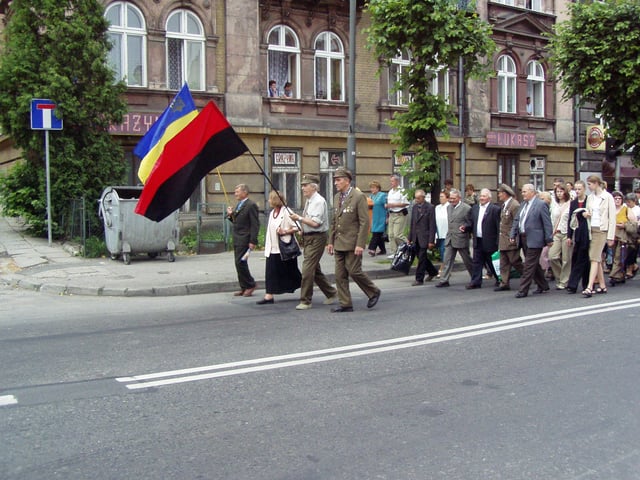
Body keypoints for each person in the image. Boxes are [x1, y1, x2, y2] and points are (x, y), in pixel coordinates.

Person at [327, 167, 381, 312]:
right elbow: (334, 220)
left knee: (354, 271)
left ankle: (373, 291)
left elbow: (364, 222)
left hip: (352, 242)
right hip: (338, 242)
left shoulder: (358, 196)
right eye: (335, 180)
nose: (335, 183)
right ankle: (345, 303)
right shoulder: (337, 197)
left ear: (347, 181)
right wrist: (330, 241)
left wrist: (360, 244)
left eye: (338, 180)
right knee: (339, 275)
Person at [290, 174, 337, 310]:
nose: (302, 188)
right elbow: (310, 221)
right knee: (314, 269)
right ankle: (331, 292)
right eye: (302, 185)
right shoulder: (310, 200)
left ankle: (305, 300)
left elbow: (316, 223)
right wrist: (302, 229)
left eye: (305, 185)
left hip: (317, 238)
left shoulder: (318, 201)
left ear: (313, 187)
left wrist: (299, 218)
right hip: (309, 237)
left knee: (307, 269)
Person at [257, 190, 302, 304]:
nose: (268, 200)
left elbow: (298, 227)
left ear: (274, 200)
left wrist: (285, 231)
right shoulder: (272, 213)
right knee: (271, 272)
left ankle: (305, 289)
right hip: (272, 248)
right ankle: (269, 295)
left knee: (291, 272)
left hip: (284, 248)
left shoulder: (286, 212)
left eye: (270, 198)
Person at [510, 184, 554, 298]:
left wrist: (549, 238)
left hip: (535, 239)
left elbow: (547, 223)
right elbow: (517, 220)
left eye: (525, 192)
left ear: (532, 192)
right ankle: (543, 285)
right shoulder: (523, 204)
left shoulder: (541, 204)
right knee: (534, 264)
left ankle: (523, 289)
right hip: (523, 237)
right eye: (522, 192)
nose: (522, 194)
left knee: (529, 265)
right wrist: (513, 234)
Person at [581, 175, 616, 297]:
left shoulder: (607, 197)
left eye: (590, 184)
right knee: (597, 258)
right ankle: (602, 285)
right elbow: (590, 211)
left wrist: (611, 236)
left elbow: (612, 217)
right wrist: (587, 214)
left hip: (602, 230)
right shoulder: (590, 198)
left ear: (596, 183)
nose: (589, 187)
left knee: (594, 258)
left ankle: (590, 286)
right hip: (592, 229)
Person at [226, 184, 260, 297]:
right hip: (237, 237)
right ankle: (244, 286)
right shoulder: (239, 205)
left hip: (245, 238)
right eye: (235, 192)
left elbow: (255, 224)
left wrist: (253, 241)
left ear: (244, 192)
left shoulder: (251, 205)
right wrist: (231, 215)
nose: (235, 194)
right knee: (238, 263)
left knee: (241, 262)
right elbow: (236, 221)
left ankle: (250, 284)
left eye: (237, 192)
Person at [436, 188, 473, 287]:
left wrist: (465, 227)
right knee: (447, 259)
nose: (451, 200)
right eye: (450, 198)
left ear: (459, 198)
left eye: (453, 198)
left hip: (461, 238)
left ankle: (474, 277)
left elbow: (470, 222)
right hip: (450, 238)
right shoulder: (449, 207)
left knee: (467, 260)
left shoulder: (466, 208)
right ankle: (444, 280)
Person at [467, 188, 500, 289]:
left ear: (489, 198)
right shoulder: (475, 208)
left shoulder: (495, 209)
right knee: (477, 261)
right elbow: (471, 222)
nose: (481, 198)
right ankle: (475, 282)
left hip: (490, 240)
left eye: (484, 196)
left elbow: (498, 226)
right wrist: (465, 227)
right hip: (478, 239)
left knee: (492, 262)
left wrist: (498, 241)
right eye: (481, 196)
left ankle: (499, 279)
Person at [495, 184, 523, 291]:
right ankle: (504, 283)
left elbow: (517, 223)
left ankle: (528, 276)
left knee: (515, 261)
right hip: (503, 239)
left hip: (510, 239)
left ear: (505, 194)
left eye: (500, 193)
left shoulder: (514, 205)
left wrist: (514, 237)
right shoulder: (505, 205)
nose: (498, 195)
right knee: (503, 263)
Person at [407, 189, 438, 286]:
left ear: (423, 198)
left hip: (425, 236)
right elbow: (412, 223)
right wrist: (410, 237)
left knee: (421, 258)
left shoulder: (430, 207)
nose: (416, 200)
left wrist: (431, 241)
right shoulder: (415, 207)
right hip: (416, 237)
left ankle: (419, 279)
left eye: (418, 198)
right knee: (421, 257)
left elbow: (432, 225)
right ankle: (432, 271)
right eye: (415, 198)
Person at [566, 180, 590, 294]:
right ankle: (586, 284)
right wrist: (569, 236)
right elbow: (571, 220)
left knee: (582, 258)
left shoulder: (589, 200)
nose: (577, 191)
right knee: (581, 258)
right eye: (576, 189)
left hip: (588, 232)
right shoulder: (573, 203)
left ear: (584, 189)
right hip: (578, 233)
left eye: (579, 189)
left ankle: (573, 284)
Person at [608, 191, 637, 286]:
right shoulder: (610, 209)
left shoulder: (626, 209)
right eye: (615, 198)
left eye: (619, 198)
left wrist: (624, 225)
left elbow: (634, 223)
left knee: (618, 257)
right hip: (612, 236)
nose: (617, 200)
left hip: (622, 237)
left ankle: (613, 276)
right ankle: (620, 275)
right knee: (613, 257)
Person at [548, 184, 572, 289]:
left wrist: (571, 235)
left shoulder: (570, 204)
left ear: (565, 192)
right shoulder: (554, 204)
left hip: (566, 233)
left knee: (566, 258)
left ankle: (564, 281)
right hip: (556, 233)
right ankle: (559, 277)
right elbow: (551, 219)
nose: (559, 194)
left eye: (561, 191)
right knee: (552, 256)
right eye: (557, 192)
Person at [385, 174, 409, 257]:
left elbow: (406, 203)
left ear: (397, 181)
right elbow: (389, 204)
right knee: (390, 234)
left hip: (400, 214)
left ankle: (407, 245)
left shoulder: (402, 191)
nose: (391, 183)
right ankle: (394, 252)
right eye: (390, 181)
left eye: (392, 181)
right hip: (391, 214)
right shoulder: (390, 191)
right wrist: (388, 213)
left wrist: (393, 205)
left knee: (397, 235)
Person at [367, 181, 388, 256]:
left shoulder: (382, 195)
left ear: (378, 188)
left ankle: (372, 249)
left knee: (376, 234)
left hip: (381, 217)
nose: (372, 189)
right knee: (378, 234)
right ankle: (383, 250)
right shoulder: (371, 196)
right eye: (371, 188)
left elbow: (387, 207)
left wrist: (387, 217)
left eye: (373, 188)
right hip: (374, 218)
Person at [624, 193, 640, 279]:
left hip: (635, 232)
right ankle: (632, 266)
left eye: (629, 202)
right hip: (625, 231)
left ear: (634, 201)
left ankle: (630, 269)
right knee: (626, 252)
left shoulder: (638, 210)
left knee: (632, 251)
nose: (627, 203)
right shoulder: (624, 208)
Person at [435, 190, 449, 277]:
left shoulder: (449, 207)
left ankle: (443, 269)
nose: (440, 198)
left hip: (446, 233)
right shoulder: (437, 207)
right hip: (439, 232)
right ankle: (445, 267)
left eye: (442, 197)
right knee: (441, 251)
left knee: (445, 252)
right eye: (440, 197)